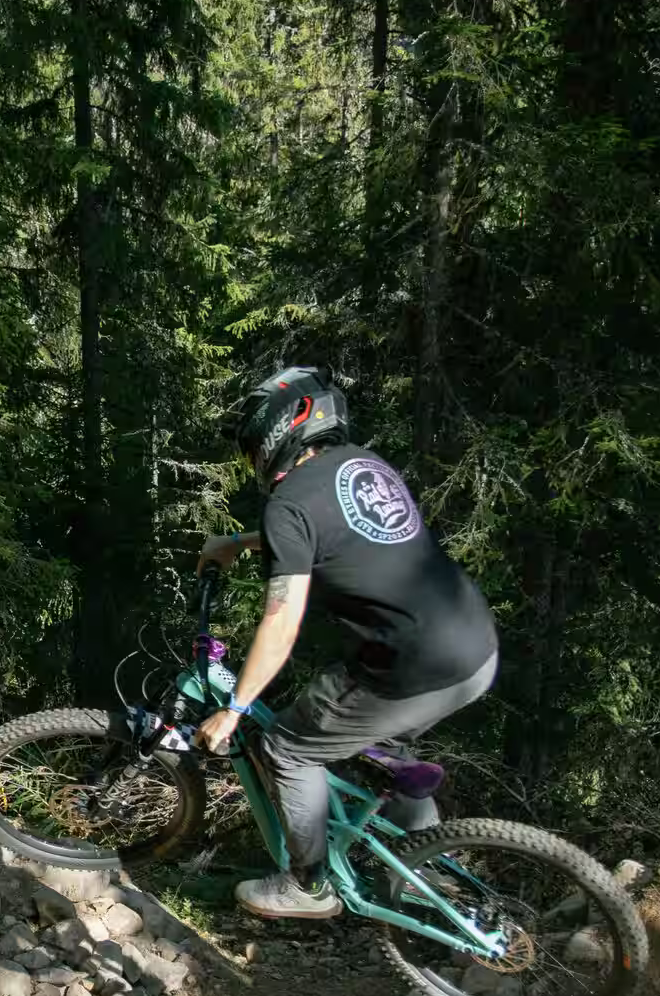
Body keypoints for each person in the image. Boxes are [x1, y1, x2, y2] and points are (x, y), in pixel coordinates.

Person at [194, 366, 498, 920]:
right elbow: (338, 533)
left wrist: (235, 709)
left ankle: (306, 886)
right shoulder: (365, 463)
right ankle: (424, 862)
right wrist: (242, 542)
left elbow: (281, 623)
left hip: (411, 665)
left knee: (287, 746)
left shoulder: (288, 505)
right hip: (475, 647)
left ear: (274, 432)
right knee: (384, 746)